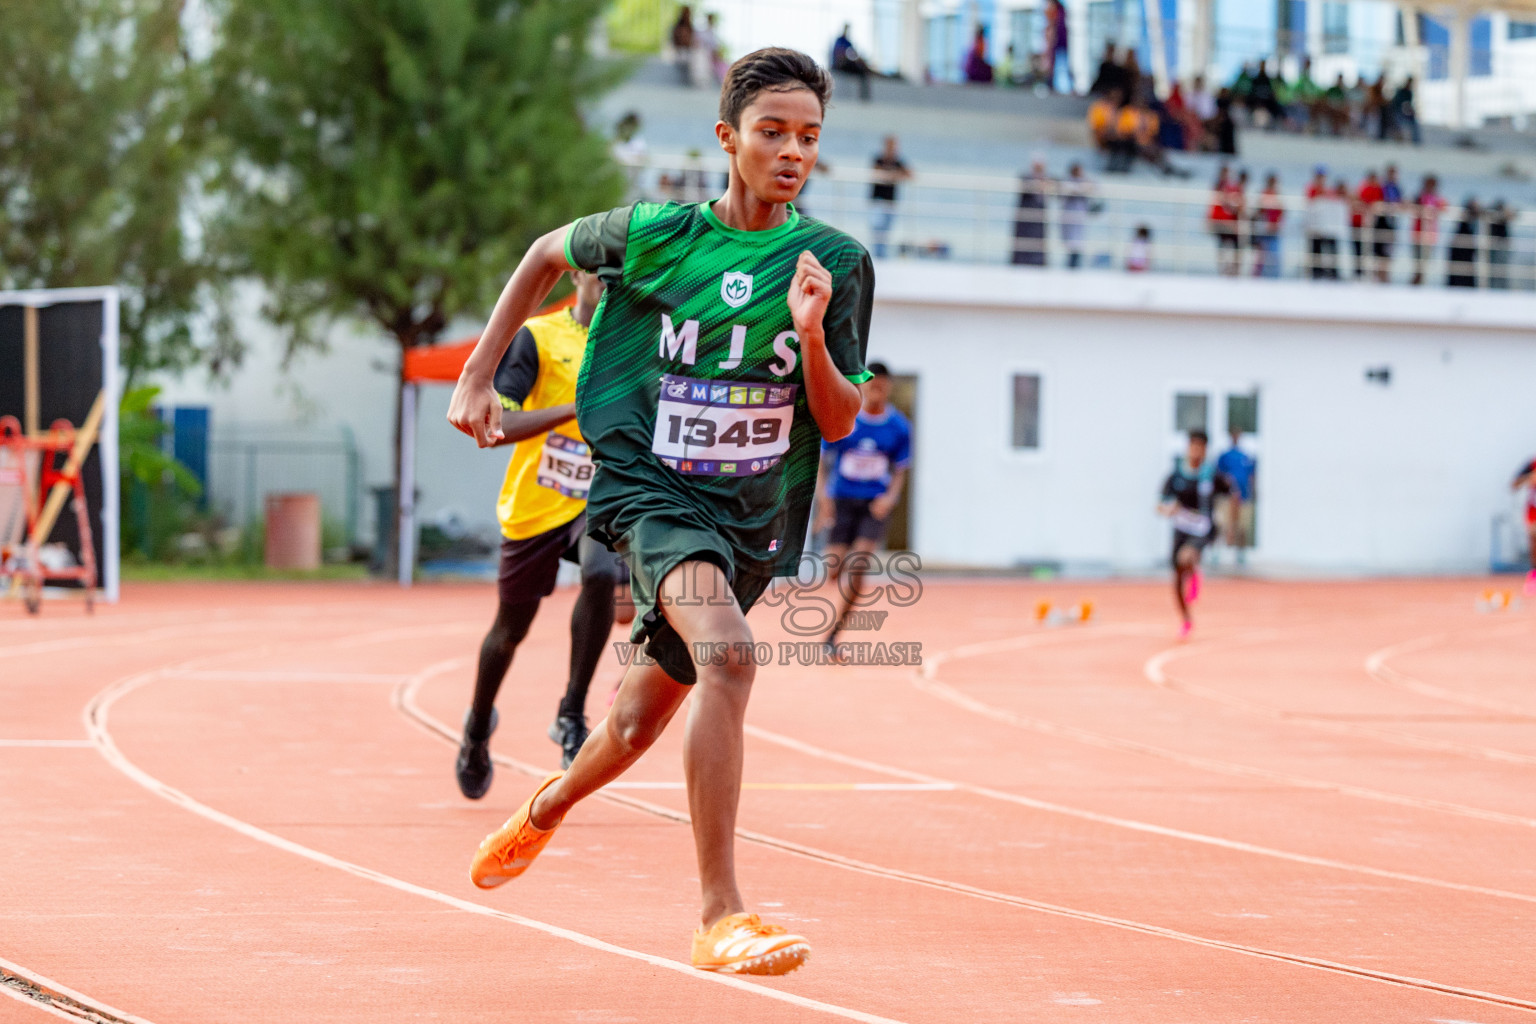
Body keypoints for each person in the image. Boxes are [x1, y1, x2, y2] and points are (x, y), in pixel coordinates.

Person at [447, 47, 870, 976]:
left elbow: (836, 419)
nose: (792, 152)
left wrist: (807, 333)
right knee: (731, 654)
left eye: (809, 137)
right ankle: (721, 915)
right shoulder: (655, 235)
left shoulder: (835, 263)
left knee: (639, 723)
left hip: (752, 516)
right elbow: (544, 253)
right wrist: (480, 370)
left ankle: (544, 807)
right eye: (772, 133)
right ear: (728, 139)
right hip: (652, 492)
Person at [454, 271, 634, 794]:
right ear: (576, 274)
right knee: (510, 630)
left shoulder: (632, 342)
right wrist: (574, 411)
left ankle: (571, 712)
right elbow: (499, 424)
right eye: (602, 275)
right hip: (535, 500)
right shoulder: (538, 337)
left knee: (602, 574)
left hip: (597, 495)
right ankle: (477, 725)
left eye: (620, 278)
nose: (610, 285)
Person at [814, 362, 910, 650]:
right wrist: (824, 502)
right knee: (833, 569)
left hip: (873, 504)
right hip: (843, 499)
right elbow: (822, 461)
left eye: (882, 385)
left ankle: (834, 633)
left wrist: (889, 497)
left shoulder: (899, 427)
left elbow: (901, 470)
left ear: (889, 388)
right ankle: (839, 563)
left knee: (858, 566)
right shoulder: (848, 419)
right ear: (864, 386)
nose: (876, 390)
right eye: (872, 385)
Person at [1158, 430, 1234, 638]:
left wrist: (1230, 525)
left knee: (1187, 557)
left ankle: (1194, 572)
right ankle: (1186, 619)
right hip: (1181, 531)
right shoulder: (1176, 476)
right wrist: (1168, 509)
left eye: (1200, 447)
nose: (1196, 451)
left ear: (1205, 450)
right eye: (1193, 446)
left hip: (1203, 530)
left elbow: (1232, 494)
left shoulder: (1211, 475)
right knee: (1176, 580)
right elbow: (1160, 505)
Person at [1215, 429, 1256, 562]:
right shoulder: (1225, 456)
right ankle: (1217, 553)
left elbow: (1251, 476)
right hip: (1228, 497)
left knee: (1243, 526)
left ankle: (1241, 555)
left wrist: (1253, 491)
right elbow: (1219, 475)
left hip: (1243, 497)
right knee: (1223, 525)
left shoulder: (1245, 456)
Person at [869, 135, 912, 259]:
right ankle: (878, 256)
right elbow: (876, 173)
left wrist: (893, 176)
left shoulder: (898, 161)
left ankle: (881, 256)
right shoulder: (879, 159)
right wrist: (893, 176)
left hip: (890, 202)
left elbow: (910, 174)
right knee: (877, 228)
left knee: (886, 230)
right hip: (878, 200)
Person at [1304, 169, 1346, 279]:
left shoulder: (1328, 190)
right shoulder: (1312, 189)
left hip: (1328, 227)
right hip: (1315, 227)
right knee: (1316, 250)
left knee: (1331, 251)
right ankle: (1316, 273)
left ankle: (1332, 273)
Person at [1410, 174, 1446, 286]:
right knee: (1418, 261)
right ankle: (1417, 282)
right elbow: (1411, 206)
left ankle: (1419, 282)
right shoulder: (1419, 197)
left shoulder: (1437, 198)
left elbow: (1444, 207)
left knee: (1425, 261)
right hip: (1418, 232)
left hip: (1430, 234)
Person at [1012, 161, 1051, 265]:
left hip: (1038, 219)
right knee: (1024, 242)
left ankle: (1037, 262)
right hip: (1026, 218)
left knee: (1037, 242)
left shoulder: (1046, 179)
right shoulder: (1026, 177)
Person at [1059, 162, 1096, 268]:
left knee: (1078, 244)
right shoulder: (1067, 181)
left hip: (1080, 217)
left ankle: (1075, 264)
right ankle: (1070, 264)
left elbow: (1091, 188)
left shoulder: (1085, 181)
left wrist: (1079, 189)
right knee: (1070, 244)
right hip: (1069, 216)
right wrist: (1079, 189)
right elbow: (1068, 190)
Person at [1209, 165, 1242, 275]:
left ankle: (1234, 269)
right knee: (1225, 243)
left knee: (1237, 241)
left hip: (1228, 223)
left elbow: (1236, 205)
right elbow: (1220, 207)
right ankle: (1224, 268)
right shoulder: (1218, 188)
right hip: (1220, 222)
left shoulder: (1230, 188)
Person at [1352, 169, 1384, 279]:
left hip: (1371, 224)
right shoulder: (1363, 188)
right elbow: (1359, 202)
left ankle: (1370, 272)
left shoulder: (1377, 189)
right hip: (1359, 223)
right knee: (1359, 249)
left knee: (1372, 249)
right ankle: (1359, 273)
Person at [1251, 173, 1283, 278]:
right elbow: (1258, 212)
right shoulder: (1263, 195)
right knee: (1261, 257)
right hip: (1263, 230)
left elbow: (1282, 212)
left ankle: (1273, 277)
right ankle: (1258, 277)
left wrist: (1277, 224)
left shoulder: (1278, 196)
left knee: (1274, 257)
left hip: (1274, 231)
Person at [1512, 457, 1536, 596]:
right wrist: (1530, 478)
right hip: (1533, 512)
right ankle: (1534, 574)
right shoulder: (1532, 464)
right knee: (1533, 542)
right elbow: (1514, 485)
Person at [831, 24, 873, 101]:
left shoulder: (848, 42)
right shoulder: (839, 41)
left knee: (861, 70)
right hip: (839, 66)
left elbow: (853, 54)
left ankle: (864, 97)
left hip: (846, 63)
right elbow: (840, 55)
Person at [1446, 199, 1481, 288]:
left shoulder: (1473, 220)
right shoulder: (1463, 216)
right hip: (1460, 250)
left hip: (1466, 251)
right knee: (1458, 274)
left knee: (1466, 274)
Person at [1044, 0, 1073, 93]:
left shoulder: (1057, 10)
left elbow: (1052, 27)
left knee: (1060, 66)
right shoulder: (1060, 10)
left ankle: (1060, 86)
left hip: (1059, 43)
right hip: (1060, 42)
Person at [1487, 200, 1514, 289]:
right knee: (1494, 268)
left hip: (1502, 244)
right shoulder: (1491, 215)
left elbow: (1514, 214)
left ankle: (1502, 287)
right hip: (1494, 244)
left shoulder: (1505, 216)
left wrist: (1505, 214)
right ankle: (1495, 287)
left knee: (1502, 268)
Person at [670, 6, 696, 87]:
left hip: (689, 50)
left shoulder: (690, 26)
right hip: (680, 50)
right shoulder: (678, 26)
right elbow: (674, 39)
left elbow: (693, 39)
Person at [1391, 76, 1421, 144]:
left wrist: (1412, 111)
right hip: (1398, 112)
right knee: (1399, 124)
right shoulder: (1401, 91)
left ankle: (1416, 141)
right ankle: (1399, 139)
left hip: (1406, 113)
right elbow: (1397, 104)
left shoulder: (1409, 93)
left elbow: (1408, 105)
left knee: (1414, 123)